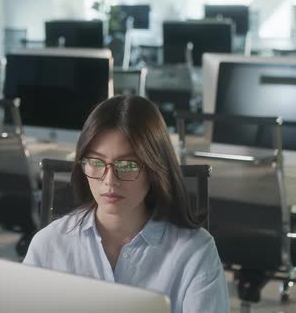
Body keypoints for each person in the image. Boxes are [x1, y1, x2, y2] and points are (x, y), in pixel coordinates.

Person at [23, 96, 228, 313]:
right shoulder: (49, 244)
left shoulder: (194, 251)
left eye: (127, 165)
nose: (110, 180)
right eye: (96, 162)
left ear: (154, 168)